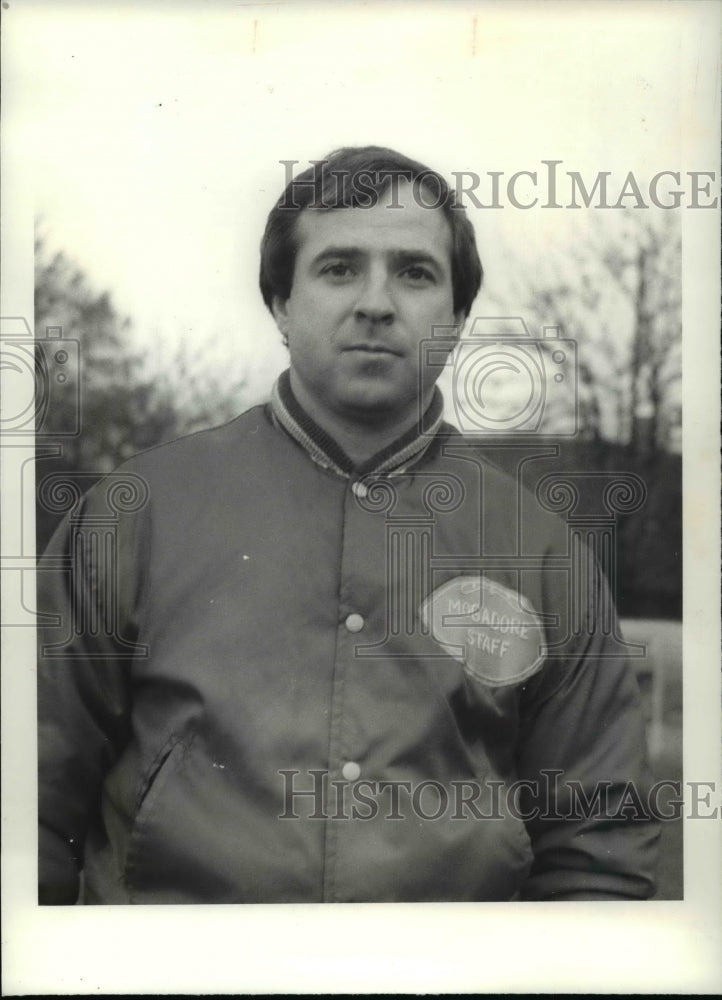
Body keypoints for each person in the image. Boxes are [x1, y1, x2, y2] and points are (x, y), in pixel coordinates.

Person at [37, 146, 659, 904]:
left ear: (458, 318)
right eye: (338, 268)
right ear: (280, 303)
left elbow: (595, 850)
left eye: (414, 272)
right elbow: (29, 804)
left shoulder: (542, 549)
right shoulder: (135, 512)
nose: (376, 301)